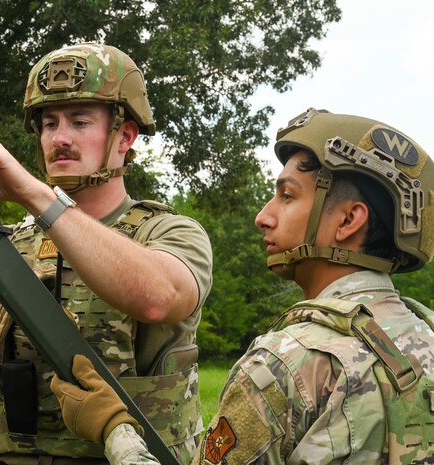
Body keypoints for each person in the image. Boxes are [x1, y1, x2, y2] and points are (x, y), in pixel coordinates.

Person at [0, 42, 213, 464]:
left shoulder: (168, 231)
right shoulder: (12, 244)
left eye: (80, 122)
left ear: (125, 137)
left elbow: (159, 298)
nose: (59, 138)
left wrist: (36, 196)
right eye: (48, 124)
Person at [51, 108, 434, 464]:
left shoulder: (286, 364)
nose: (263, 216)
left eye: (287, 196)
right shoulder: (426, 335)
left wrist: (113, 428)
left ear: (349, 220)